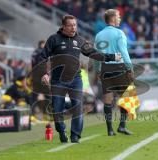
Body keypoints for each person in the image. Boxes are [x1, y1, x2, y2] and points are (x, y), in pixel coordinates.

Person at [39, 15, 121, 143]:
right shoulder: (54, 39)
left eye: (75, 25)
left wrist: (112, 57)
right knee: (57, 109)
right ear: (64, 27)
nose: (73, 28)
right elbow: (43, 56)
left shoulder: (80, 40)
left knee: (78, 107)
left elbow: (94, 53)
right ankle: (61, 131)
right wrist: (45, 73)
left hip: (75, 79)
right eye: (70, 25)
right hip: (58, 80)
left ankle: (75, 136)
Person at [94, 9, 134, 136]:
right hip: (119, 67)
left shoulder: (99, 35)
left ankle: (110, 130)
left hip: (105, 68)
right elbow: (124, 52)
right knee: (127, 97)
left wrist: (98, 70)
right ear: (113, 19)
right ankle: (122, 126)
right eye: (118, 17)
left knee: (107, 99)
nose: (120, 19)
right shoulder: (119, 33)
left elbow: (97, 55)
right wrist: (129, 68)